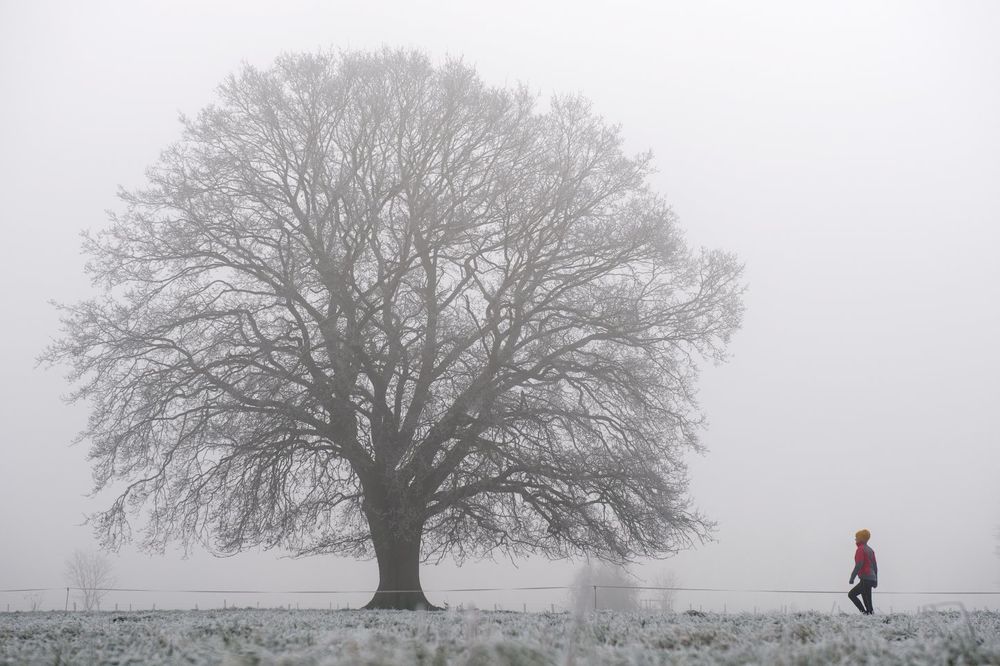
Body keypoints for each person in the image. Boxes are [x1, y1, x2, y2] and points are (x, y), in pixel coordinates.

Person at [848, 529, 878, 614]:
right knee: (867, 601)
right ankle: (868, 615)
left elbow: (859, 565)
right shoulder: (870, 550)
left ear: (861, 538)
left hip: (866, 578)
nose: (855, 539)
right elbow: (875, 567)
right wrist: (876, 581)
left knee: (851, 594)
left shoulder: (860, 549)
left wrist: (852, 577)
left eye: (856, 537)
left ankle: (864, 614)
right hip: (871, 578)